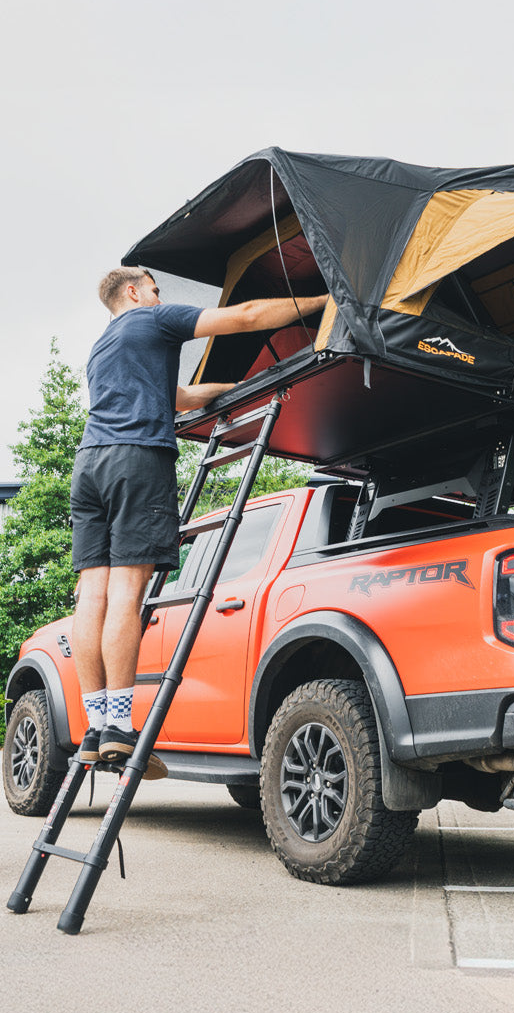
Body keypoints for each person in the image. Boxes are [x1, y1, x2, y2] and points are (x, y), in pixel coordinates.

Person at [72, 266, 327, 767]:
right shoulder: (153, 320)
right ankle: (120, 725)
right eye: (155, 289)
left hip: (90, 466)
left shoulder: (102, 349)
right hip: (136, 459)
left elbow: (179, 399)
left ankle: (95, 726)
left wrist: (235, 387)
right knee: (126, 594)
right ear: (133, 291)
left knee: (93, 597)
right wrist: (323, 302)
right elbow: (246, 315)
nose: (159, 295)